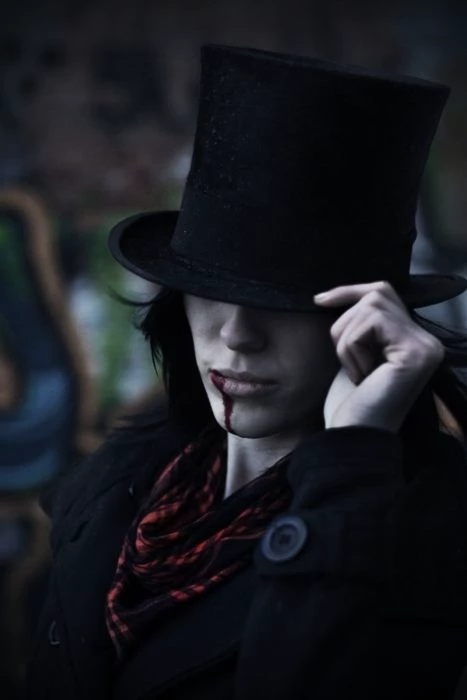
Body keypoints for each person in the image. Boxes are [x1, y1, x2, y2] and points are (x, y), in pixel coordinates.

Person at [28, 44, 467, 700]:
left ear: (370, 320)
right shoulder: (125, 484)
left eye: (287, 303)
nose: (237, 335)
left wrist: (354, 450)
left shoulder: (429, 535)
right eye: (212, 290)